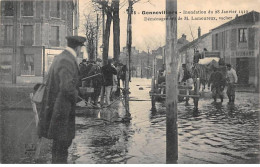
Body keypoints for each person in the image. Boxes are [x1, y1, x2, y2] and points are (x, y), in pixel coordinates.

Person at [38, 35, 86, 163]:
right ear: (77, 47)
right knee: (62, 147)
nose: (80, 50)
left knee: (58, 147)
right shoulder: (67, 60)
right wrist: (79, 97)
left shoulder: (61, 57)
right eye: (80, 48)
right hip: (61, 112)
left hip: (56, 110)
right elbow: (67, 87)